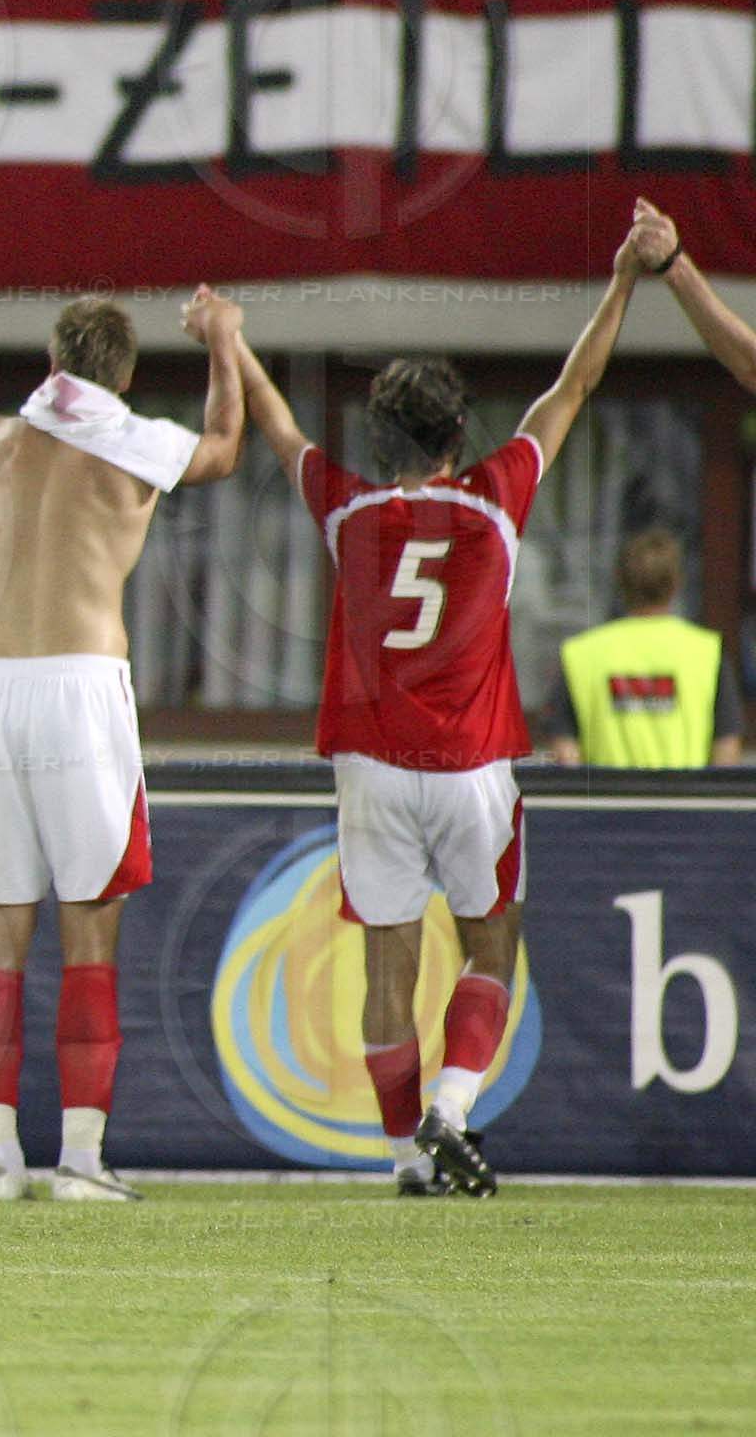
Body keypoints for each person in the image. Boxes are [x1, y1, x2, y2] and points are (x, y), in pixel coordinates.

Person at [222, 227, 654, 1194]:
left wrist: (231, 338)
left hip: (371, 768)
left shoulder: (348, 513)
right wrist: (623, 276)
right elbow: (572, 389)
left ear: (381, 445)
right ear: (460, 438)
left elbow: (280, 429)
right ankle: (451, 1111)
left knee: (387, 966)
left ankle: (402, 1158)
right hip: (470, 769)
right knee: (491, 940)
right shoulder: (497, 499)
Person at [0, 293, 244, 1200]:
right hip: (80, 689)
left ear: (51, 355)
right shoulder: (134, 438)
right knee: (90, 931)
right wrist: (226, 344)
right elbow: (225, 448)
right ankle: (79, 1160)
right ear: (125, 372)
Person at [552, 531, 741, 769]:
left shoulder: (580, 654)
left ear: (620, 580)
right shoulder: (707, 652)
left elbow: (566, 754)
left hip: (606, 803)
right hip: (688, 802)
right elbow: (726, 750)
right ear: (676, 583)